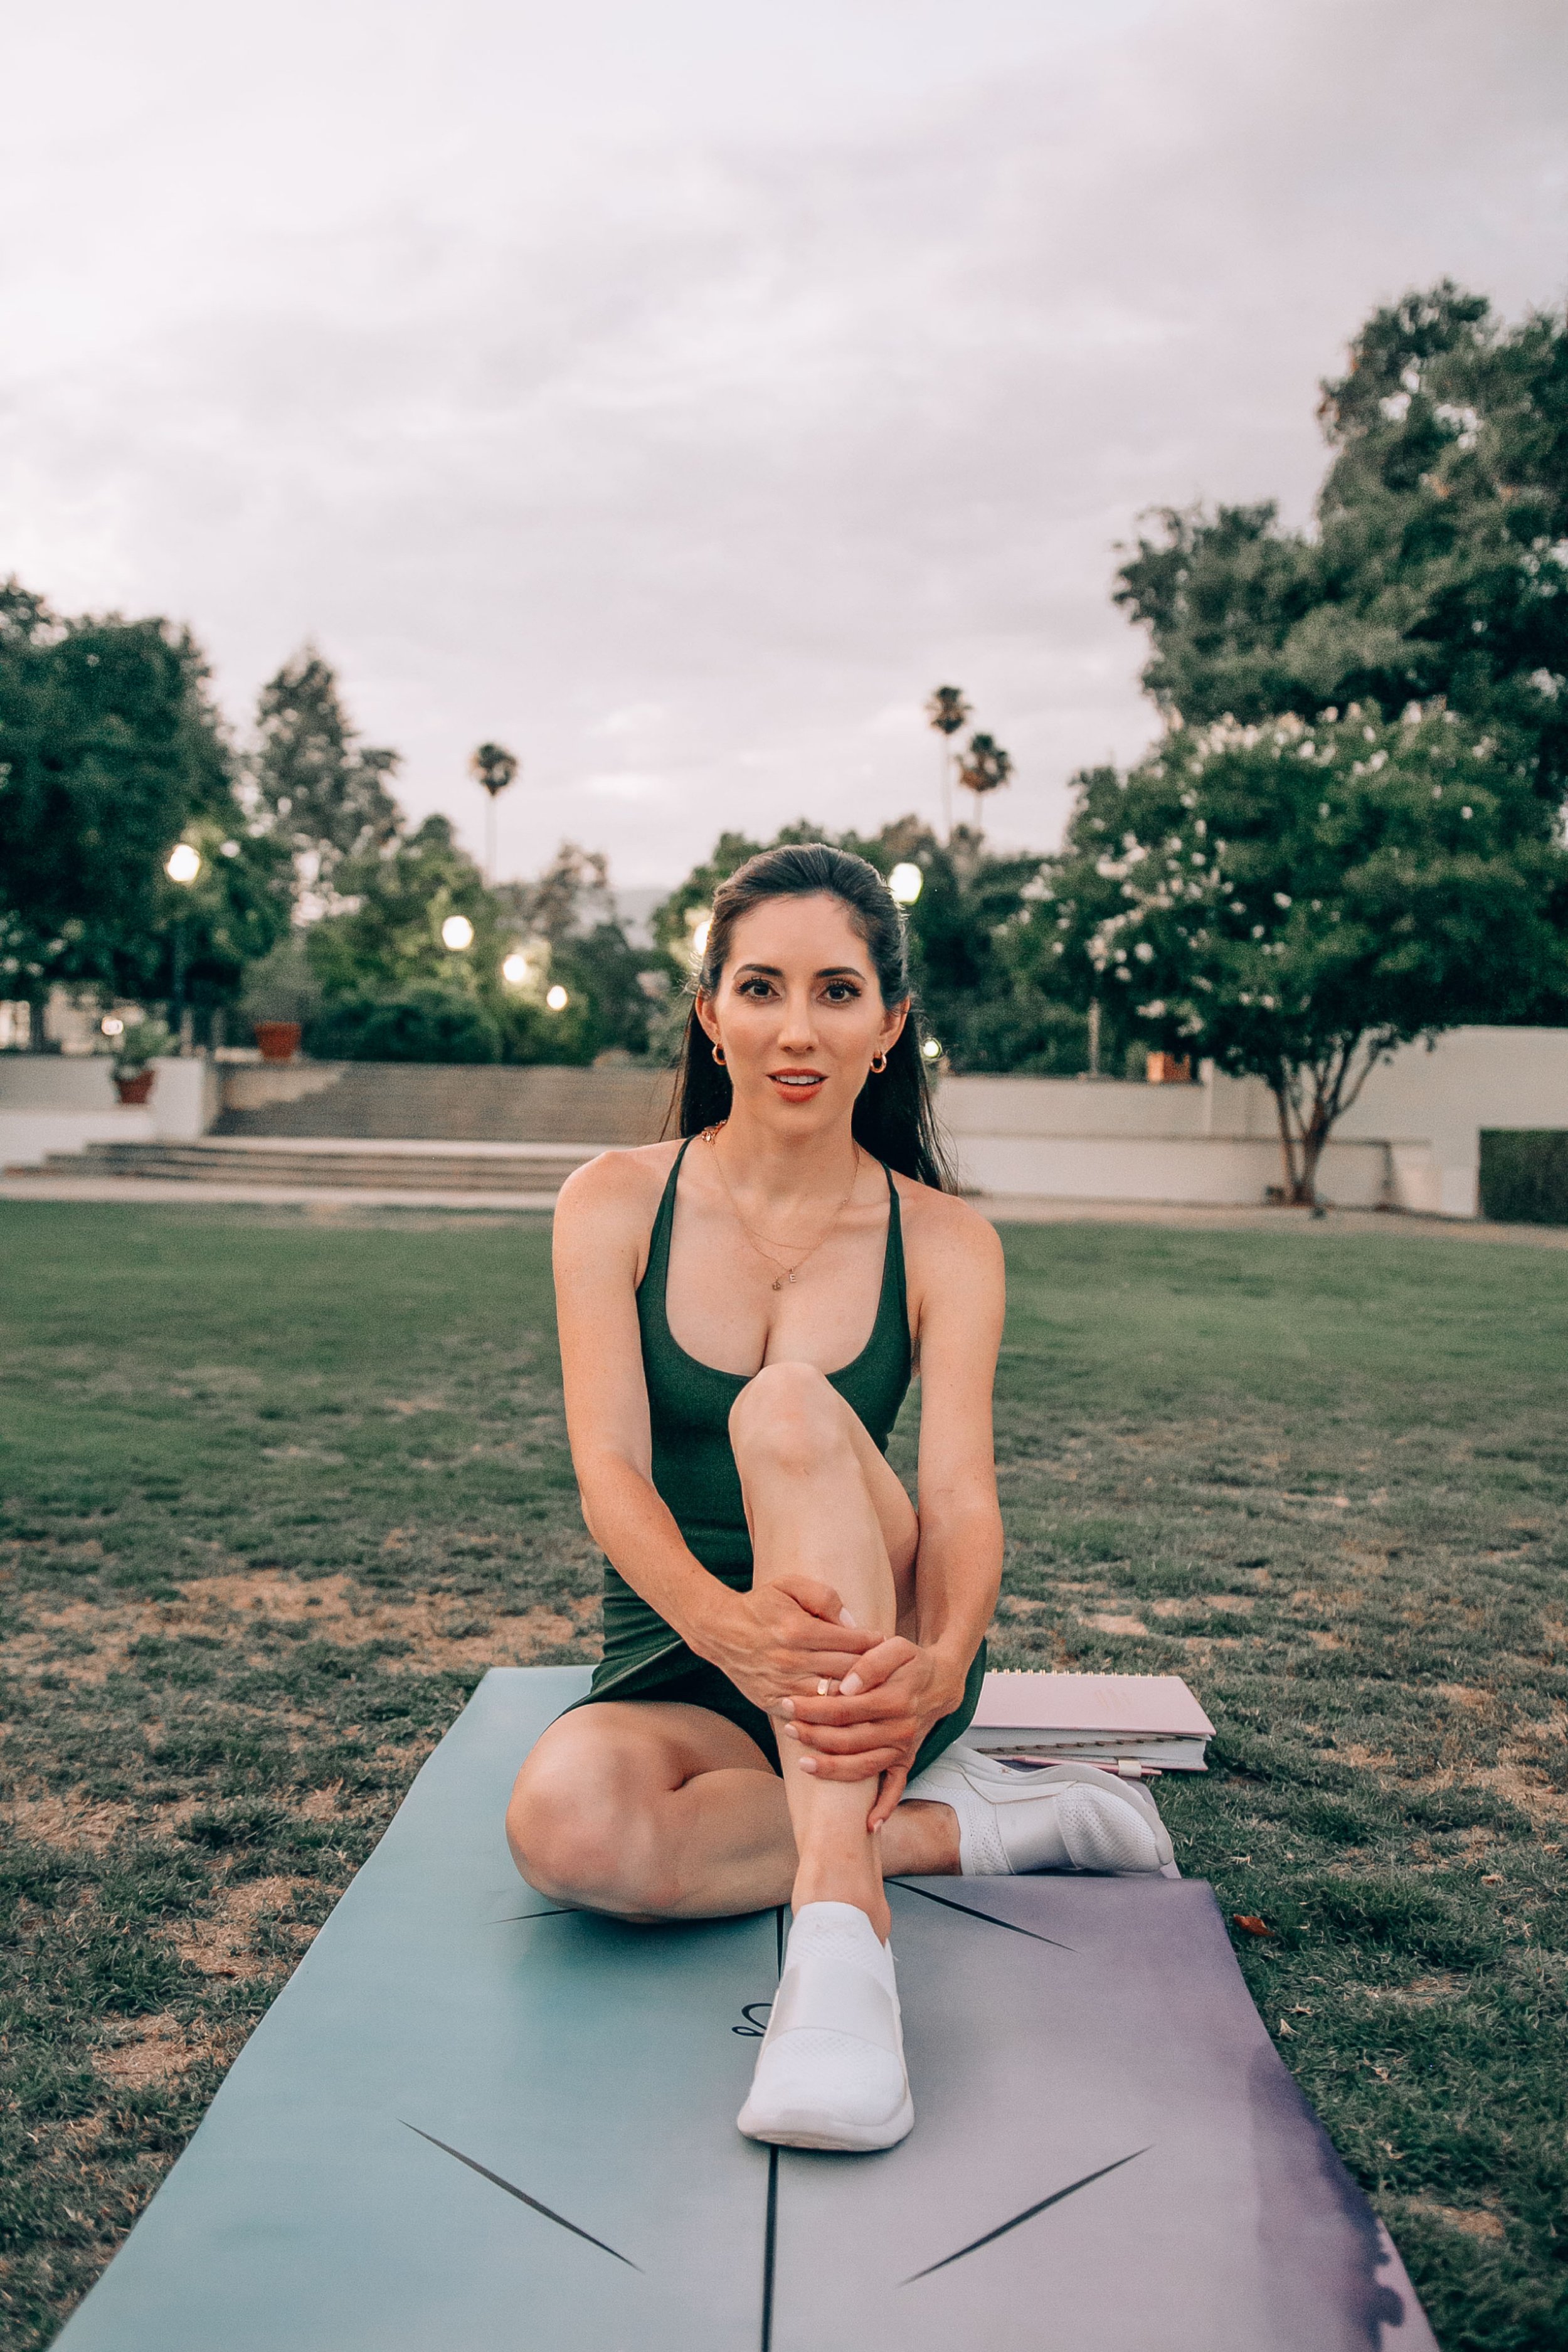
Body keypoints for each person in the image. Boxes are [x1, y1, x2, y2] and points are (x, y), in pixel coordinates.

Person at [507, 844, 1172, 2153]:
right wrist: (721, 1627)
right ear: (709, 1015)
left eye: (834, 990)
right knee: (568, 1832)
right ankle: (948, 1829)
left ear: (888, 1024)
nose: (794, 1028)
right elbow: (609, 1475)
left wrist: (942, 1659)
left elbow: (960, 1499)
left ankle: (840, 1949)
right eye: (759, 988)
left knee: (789, 1405)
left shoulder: (944, 1240)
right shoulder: (610, 1203)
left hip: (871, 1650)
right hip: (687, 1644)